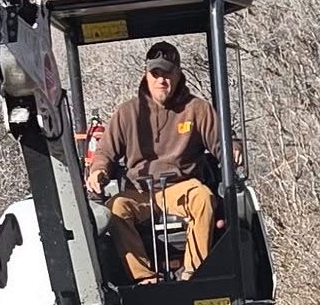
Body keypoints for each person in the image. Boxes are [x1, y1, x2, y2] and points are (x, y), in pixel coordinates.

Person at [86, 41, 221, 284]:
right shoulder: (128, 112)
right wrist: (98, 170)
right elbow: (105, 152)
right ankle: (144, 277)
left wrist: (234, 150)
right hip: (140, 192)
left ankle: (193, 273)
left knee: (203, 197)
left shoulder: (197, 109)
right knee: (115, 208)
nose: (161, 80)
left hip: (181, 187)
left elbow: (221, 143)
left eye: (167, 74)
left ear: (178, 75)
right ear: (146, 75)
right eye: (155, 74)